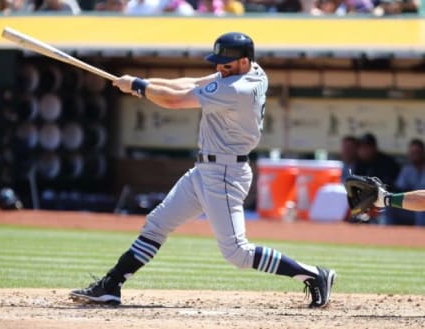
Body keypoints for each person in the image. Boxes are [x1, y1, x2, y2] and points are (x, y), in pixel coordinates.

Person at [70, 32, 336, 308]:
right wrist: (141, 83)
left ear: (244, 61)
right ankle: (111, 285)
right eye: (218, 62)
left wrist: (138, 87)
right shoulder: (254, 71)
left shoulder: (236, 90)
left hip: (224, 173)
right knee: (157, 224)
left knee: (237, 253)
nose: (220, 68)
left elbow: (175, 100)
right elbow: (191, 83)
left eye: (227, 63)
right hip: (206, 170)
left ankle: (315, 275)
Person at [393, 139, 425, 226]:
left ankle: (419, 235)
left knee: (421, 211)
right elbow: (399, 189)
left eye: (417, 152)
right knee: (388, 207)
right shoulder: (407, 170)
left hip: (423, 204)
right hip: (410, 203)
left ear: (423, 153)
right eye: (411, 153)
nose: (414, 155)